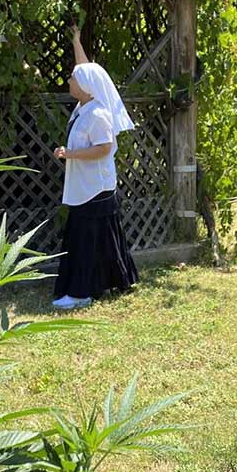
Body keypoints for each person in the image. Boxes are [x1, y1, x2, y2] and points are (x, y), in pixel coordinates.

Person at [52, 25, 139, 310]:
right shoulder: (85, 107)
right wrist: (77, 41)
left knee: (87, 240)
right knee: (100, 238)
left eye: (73, 79)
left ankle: (81, 292)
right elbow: (85, 69)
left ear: (85, 87)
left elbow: (104, 148)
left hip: (95, 188)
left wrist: (70, 153)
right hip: (89, 187)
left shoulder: (97, 114)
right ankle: (116, 280)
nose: (69, 81)